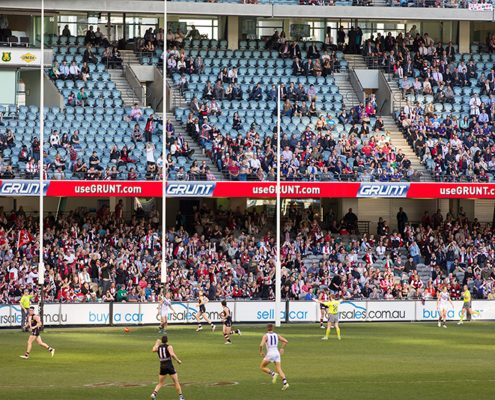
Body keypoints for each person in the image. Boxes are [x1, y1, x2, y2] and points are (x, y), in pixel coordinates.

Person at [150, 336, 184, 400]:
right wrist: (178, 360)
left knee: (160, 383)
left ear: (162, 341)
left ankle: (154, 394)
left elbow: (153, 349)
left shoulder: (158, 347)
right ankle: (181, 396)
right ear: (167, 340)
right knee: (176, 382)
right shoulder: (169, 346)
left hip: (162, 366)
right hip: (169, 365)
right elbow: (172, 354)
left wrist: (156, 343)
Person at [259, 323, 289, 391]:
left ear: (267, 328)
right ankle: (285, 383)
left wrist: (261, 352)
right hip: (277, 353)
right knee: (279, 369)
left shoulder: (265, 336)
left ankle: (273, 374)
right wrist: (282, 348)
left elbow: (261, 345)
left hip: (270, 353)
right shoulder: (276, 335)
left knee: (262, 367)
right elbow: (285, 341)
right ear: (273, 328)